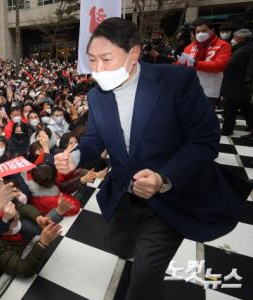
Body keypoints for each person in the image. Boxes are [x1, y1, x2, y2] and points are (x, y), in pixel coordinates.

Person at [54, 17, 252, 300]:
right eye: (91, 61)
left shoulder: (176, 81)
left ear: (133, 54)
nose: (96, 70)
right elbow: (94, 140)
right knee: (117, 243)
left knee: (145, 276)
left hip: (172, 196)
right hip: (125, 192)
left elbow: (205, 141)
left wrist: (163, 177)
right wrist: (75, 156)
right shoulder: (97, 97)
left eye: (106, 59)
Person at [176, 18, 232, 107]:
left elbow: (220, 65)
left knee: (203, 117)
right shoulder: (190, 47)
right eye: (197, 32)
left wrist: (196, 64)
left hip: (209, 90)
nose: (200, 34)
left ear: (212, 30)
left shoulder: (223, 45)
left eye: (204, 30)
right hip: (189, 88)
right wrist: (180, 64)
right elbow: (180, 67)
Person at [220, 29, 253, 137]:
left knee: (230, 107)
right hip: (242, 84)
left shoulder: (242, 50)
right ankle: (251, 124)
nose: (232, 39)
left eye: (234, 37)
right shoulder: (247, 47)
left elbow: (229, 65)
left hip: (235, 83)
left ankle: (227, 129)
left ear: (240, 39)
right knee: (245, 106)